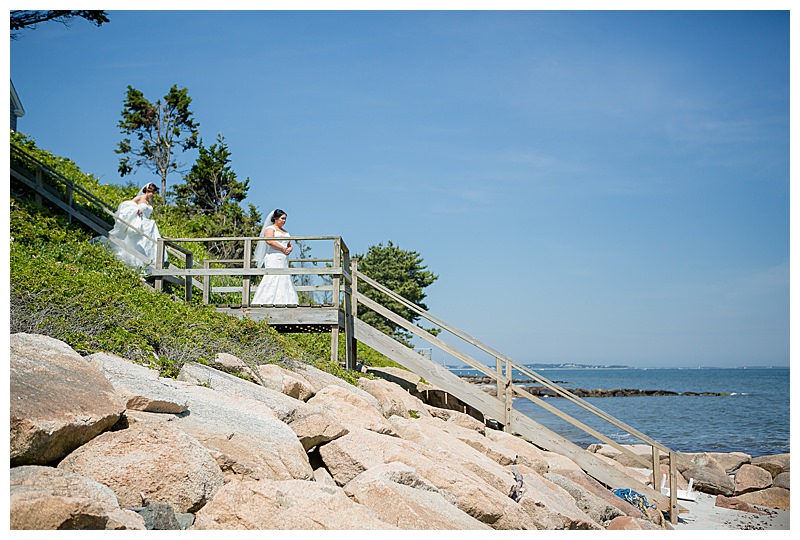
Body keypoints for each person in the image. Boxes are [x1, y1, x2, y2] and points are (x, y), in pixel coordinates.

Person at [97, 182, 166, 274]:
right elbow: (126, 205)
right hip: (140, 223)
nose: (153, 195)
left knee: (148, 244)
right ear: (148, 191)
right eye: (152, 193)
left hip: (148, 224)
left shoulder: (149, 202)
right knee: (137, 243)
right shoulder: (139, 198)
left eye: (154, 194)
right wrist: (136, 210)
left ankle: (147, 266)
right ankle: (136, 265)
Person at [252, 208, 299, 305]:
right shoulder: (270, 229)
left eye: (285, 219)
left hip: (283, 258)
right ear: (275, 218)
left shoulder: (285, 232)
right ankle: (266, 301)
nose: (284, 221)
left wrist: (289, 249)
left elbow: (290, 243)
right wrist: (282, 248)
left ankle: (284, 301)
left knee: (284, 278)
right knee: (273, 277)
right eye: (282, 218)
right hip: (274, 256)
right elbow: (269, 241)